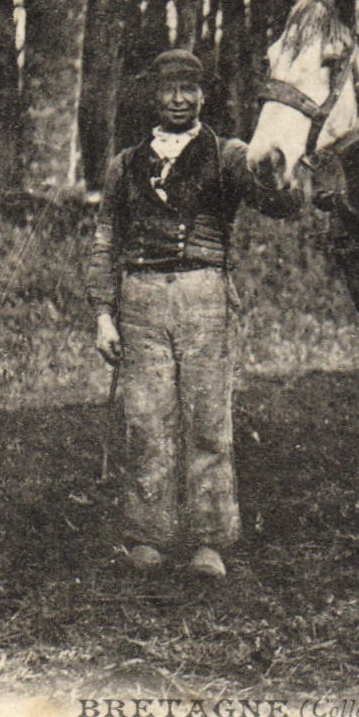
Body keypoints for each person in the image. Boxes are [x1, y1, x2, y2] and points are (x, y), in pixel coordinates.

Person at [85, 49, 297, 578]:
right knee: (146, 420)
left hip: (205, 297)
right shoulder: (125, 163)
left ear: (203, 96)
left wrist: (278, 171)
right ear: (153, 97)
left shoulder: (228, 155)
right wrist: (103, 314)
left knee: (208, 420)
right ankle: (148, 535)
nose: (178, 99)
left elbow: (276, 203)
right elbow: (106, 239)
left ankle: (209, 541)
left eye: (188, 89)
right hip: (140, 300)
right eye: (168, 89)